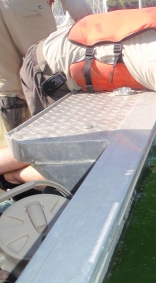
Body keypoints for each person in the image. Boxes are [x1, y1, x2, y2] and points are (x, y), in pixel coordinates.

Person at [1, 6, 156, 225]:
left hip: (55, 59)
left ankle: (10, 175)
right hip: (47, 73)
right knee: (83, 167)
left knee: (70, 156)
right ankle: (10, 176)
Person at [0, 0, 92, 191]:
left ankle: (15, 180)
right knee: (45, 67)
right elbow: (82, 12)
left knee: (9, 92)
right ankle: (29, 179)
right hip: (25, 7)